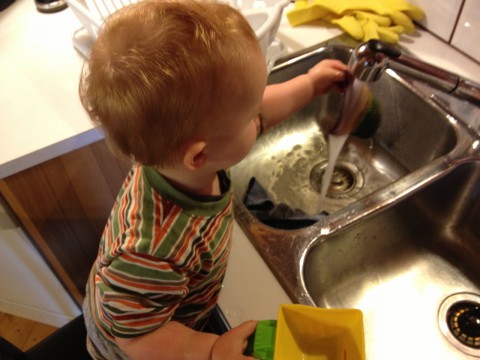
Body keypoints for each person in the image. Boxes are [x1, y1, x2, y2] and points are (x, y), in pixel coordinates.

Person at [79, 0, 350, 359]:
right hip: (137, 341)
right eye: (251, 116)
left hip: (168, 308)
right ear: (199, 155)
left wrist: (309, 85)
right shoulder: (148, 252)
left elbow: (260, 109)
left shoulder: (179, 155)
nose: (259, 117)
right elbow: (139, 338)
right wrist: (208, 350)